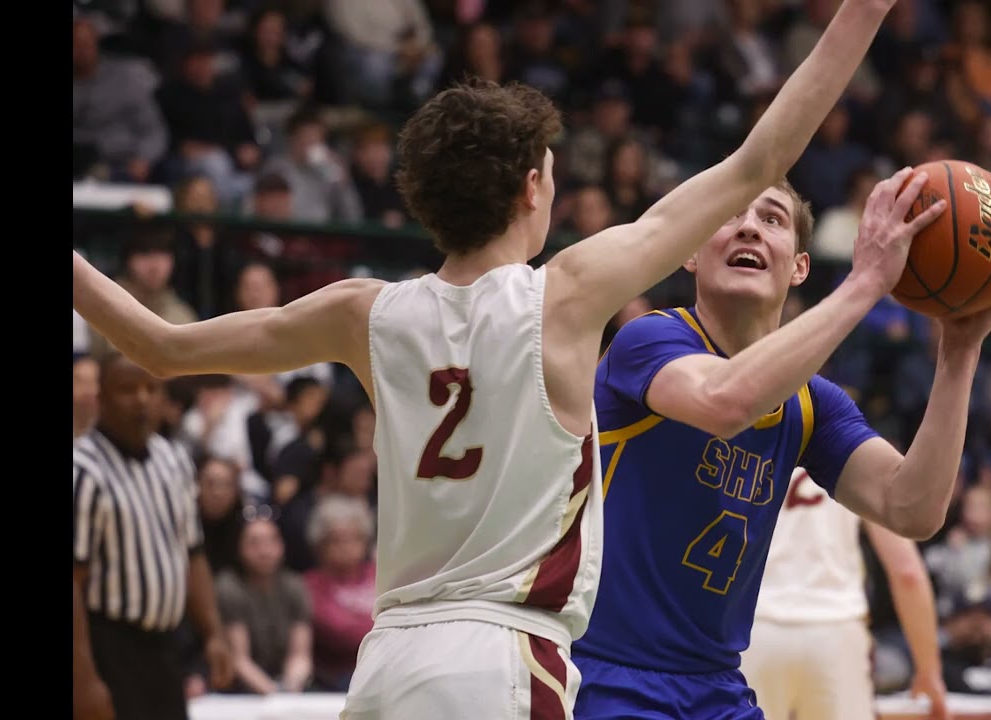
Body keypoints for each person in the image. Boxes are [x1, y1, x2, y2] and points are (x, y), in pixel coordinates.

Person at [71, 2, 897, 712]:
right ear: (535, 189)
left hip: (388, 657)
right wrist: (862, 13)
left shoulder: (363, 312)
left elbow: (159, 345)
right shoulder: (566, 295)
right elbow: (756, 161)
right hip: (505, 655)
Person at [571, 162, 991, 717]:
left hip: (716, 684)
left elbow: (912, 508)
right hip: (609, 674)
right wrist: (864, 284)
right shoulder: (649, 340)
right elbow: (726, 402)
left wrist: (959, 352)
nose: (749, 228)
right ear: (690, 251)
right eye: (731, 215)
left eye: (772, 219)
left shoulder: (813, 404)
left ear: (798, 267)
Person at [73, 354, 234, 720]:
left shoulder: (174, 460)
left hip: (165, 646)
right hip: (106, 646)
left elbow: (193, 554)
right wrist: (82, 681)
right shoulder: (82, 470)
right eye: (127, 390)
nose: (142, 399)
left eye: (151, 388)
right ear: (100, 398)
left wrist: (214, 634)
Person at [743, 467, 950, 720]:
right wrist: (928, 670)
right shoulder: (855, 448)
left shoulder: (744, 439)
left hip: (755, 626)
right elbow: (907, 572)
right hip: (836, 629)